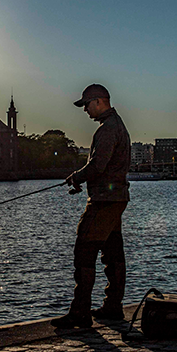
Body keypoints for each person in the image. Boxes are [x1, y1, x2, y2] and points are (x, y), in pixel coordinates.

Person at [51, 84, 131, 329]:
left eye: (86, 104)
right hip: (116, 199)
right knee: (113, 251)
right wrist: (82, 180)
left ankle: (80, 312)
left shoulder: (108, 129)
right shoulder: (117, 125)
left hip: (104, 202)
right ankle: (113, 307)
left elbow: (98, 165)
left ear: (98, 102)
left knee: (84, 249)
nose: (85, 110)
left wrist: (76, 176)